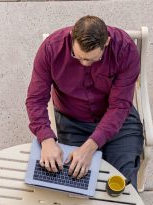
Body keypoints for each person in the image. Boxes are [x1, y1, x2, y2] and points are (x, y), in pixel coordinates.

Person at [26, 15, 144, 184]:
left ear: (106, 42)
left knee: (122, 183)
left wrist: (89, 148)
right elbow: (35, 99)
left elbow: (119, 106)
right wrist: (46, 139)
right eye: (78, 57)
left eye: (92, 59)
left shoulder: (126, 50)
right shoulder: (51, 49)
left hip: (118, 121)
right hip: (71, 121)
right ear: (71, 36)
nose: (84, 64)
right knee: (71, 183)